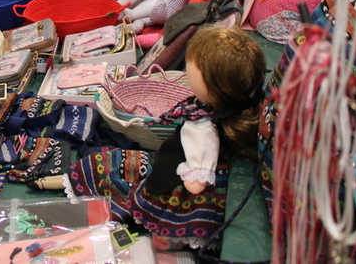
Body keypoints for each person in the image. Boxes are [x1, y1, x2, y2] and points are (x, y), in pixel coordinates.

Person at [66, 26, 266, 247]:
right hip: (175, 164)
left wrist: (194, 179)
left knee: (155, 205)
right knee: (115, 165)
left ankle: (167, 237)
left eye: (193, 65)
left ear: (211, 80)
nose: (188, 67)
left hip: (184, 181)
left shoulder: (204, 126)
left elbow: (200, 166)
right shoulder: (212, 111)